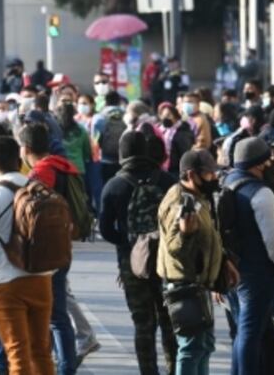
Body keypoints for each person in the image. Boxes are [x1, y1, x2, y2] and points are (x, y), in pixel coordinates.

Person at [0, 136, 55, 375]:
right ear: (20, 161)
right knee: (41, 351)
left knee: (17, 354)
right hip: (42, 280)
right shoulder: (39, 189)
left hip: (6, 282)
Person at [99, 131, 177, 375]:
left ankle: (148, 371)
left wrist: (128, 245)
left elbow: (105, 229)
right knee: (169, 320)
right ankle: (175, 368)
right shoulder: (166, 181)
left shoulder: (114, 185)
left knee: (143, 323)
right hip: (167, 260)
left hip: (133, 262)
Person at [157, 150, 235, 375]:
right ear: (192, 175)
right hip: (184, 285)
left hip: (199, 285)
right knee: (191, 347)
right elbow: (174, 248)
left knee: (203, 346)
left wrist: (223, 260)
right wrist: (185, 234)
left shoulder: (198, 197)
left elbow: (210, 236)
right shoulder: (180, 201)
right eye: (209, 173)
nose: (214, 178)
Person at [18, 123, 78, 375]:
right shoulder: (62, 166)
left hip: (46, 251)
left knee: (54, 317)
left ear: (26, 148)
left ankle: (63, 368)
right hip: (63, 244)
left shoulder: (41, 174)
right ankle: (64, 366)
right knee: (58, 313)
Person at [224, 137, 274, 374]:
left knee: (246, 331)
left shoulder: (227, 182)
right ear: (259, 164)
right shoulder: (261, 193)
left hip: (231, 270)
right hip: (257, 274)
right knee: (249, 333)